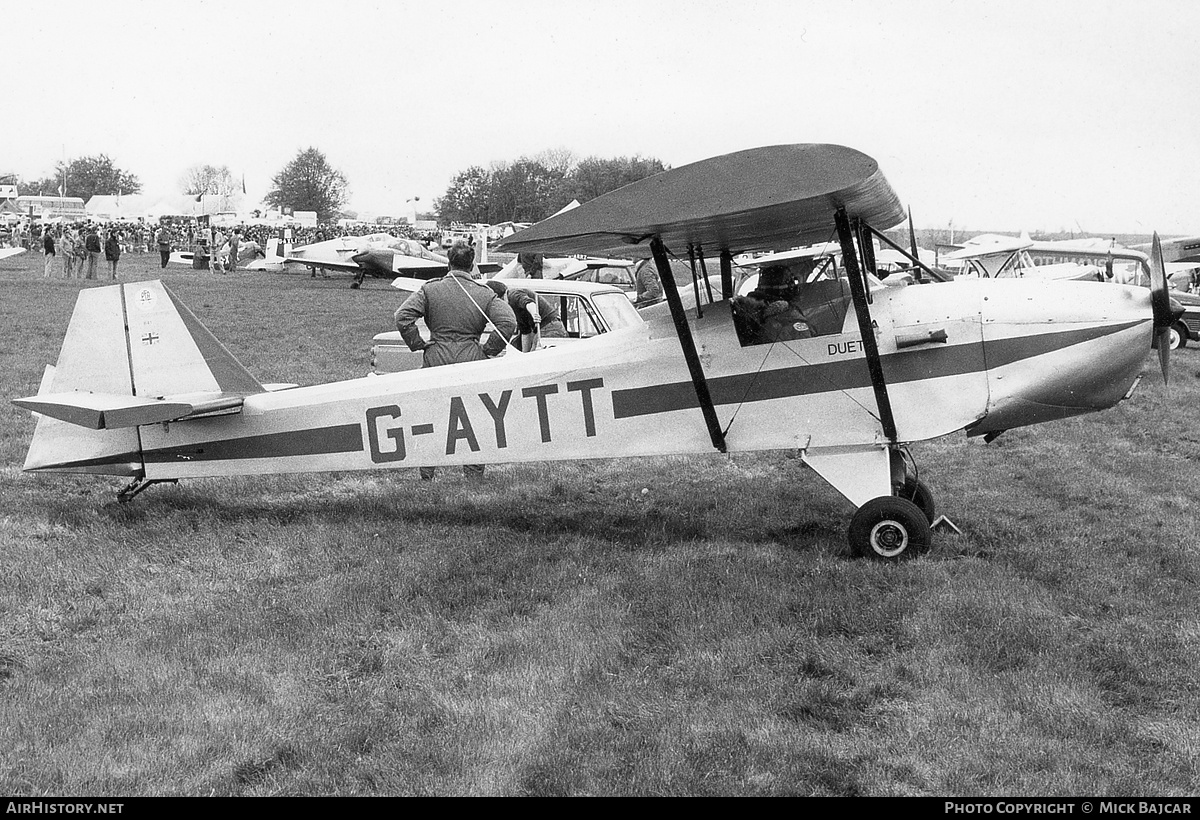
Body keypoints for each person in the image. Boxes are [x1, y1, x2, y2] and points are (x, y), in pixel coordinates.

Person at [394, 240, 517, 479]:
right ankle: (472, 472)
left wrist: (418, 343)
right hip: (471, 358)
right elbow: (508, 322)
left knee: (431, 415)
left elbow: (402, 317)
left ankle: (427, 472)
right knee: (474, 414)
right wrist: (488, 350)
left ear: (448, 263)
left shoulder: (430, 289)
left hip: (436, 356)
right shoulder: (484, 293)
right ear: (472, 266)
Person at [732, 264, 815, 345]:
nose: (794, 286)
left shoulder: (746, 313)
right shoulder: (785, 313)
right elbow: (808, 346)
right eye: (790, 281)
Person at [485, 280, 567, 352]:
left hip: (549, 328)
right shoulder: (512, 307)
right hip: (541, 329)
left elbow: (528, 303)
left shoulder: (513, 294)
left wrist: (535, 314)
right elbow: (525, 332)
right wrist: (524, 356)